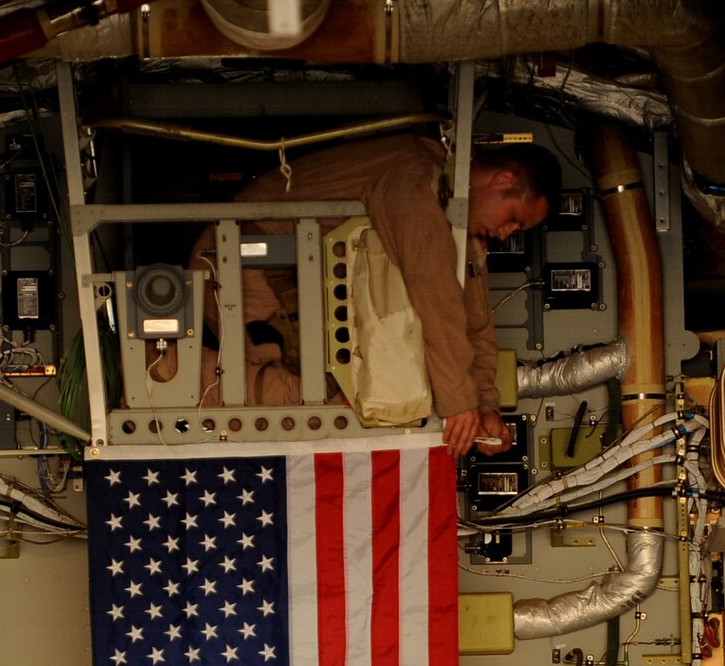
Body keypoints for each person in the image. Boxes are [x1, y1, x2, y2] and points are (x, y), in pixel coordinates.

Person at [191, 134, 557, 457]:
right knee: (309, 399)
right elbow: (434, 292)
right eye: (513, 218)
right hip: (243, 257)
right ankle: (161, 371)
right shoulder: (416, 176)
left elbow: (474, 324)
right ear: (502, 180)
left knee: (343, 400)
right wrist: (460, 404)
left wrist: (484, 406)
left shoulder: (460, 221)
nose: (507, 233)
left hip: (293, 280)